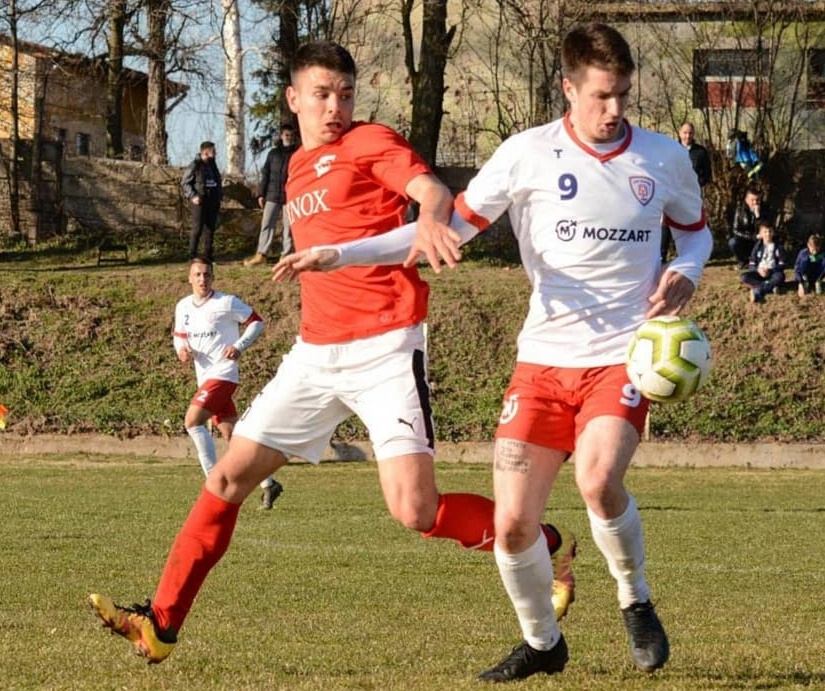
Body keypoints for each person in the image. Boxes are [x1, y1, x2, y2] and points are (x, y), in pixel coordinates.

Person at [89, 40, 576, 666]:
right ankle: (161, 622)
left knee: (415, 509)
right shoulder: (294, 167)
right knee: (226, 478)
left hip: (387, 347)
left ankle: (545, 543)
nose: (335, 107)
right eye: (321, 95)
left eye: (344, 94)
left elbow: (429, 189)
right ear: (293, 99)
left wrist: (433, 214)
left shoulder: (371, 141)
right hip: (314, 355)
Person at [274, 23, 713, 681]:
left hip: (622, 355)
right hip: (541, 363)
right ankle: (543, 643)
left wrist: (687, 271)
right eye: (601, 95)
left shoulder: (662, 158)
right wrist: (338, 253)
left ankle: (635, 597)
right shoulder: (526, 154)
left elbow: (697, 235)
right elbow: (438, 231)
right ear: (568, 89)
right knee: (511, 525)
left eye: (623, 94)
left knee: (598, 480)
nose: (614, 109)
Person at [173, 258, 282, 508]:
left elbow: (256, 321)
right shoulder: (183, 306)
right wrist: (182, 350)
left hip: (223, 374)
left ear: (213, 278)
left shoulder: (226, 302)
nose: (202, 279)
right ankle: (269, 483)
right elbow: (179, 336)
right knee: (233, 437)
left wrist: (239, 346)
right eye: (198, 275)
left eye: (207, 275)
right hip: (204, 377)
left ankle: (213, 488)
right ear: (189, 278)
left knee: (192, 421)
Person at [244, 124, 298, 267]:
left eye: (291, 135)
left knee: (289, 227)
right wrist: (261, 193)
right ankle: (261, 254)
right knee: (267, 224)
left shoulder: (298, 153)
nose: (289, 137)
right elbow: (266, 173)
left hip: (290, 196)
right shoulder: (273, 154)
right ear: (281, 136)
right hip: (272, 195)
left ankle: (286, 255)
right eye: (287, 135)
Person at [661, 122, 712, 262]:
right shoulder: (671, 149)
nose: (687, 136)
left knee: (696, 222)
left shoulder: (701, 152)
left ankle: (697, 253)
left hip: (692, 195)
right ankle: (662, 255)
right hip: (672, 192)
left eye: (690, 133)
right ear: (679, 133)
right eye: (685, 133)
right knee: (666, 222)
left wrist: (694, 184)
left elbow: (707, 175)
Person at [180, 141, 223, 262]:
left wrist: (219, 196)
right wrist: (193, 196)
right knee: (197, 228)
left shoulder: (213, 165)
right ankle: (192, 255)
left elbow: (217, 181)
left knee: (210, 229)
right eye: (213, 151)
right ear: (206, 152)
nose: (215, 153)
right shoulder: (195, 165)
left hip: (212, 201)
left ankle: (208, 256)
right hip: (199, 201)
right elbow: (185, 183)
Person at [740, 220, 787, 304]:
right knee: (744, 277)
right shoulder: (757, 246)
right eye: (765, 232)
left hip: (772, 273)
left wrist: (770, 270)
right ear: (760, 234)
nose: (768, 234)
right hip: (759, 272)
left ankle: (758, 290)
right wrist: (758, 270)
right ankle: (770, 287)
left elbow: (782, 263)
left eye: (770, 231)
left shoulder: (778, 246)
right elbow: (752, 262)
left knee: (780, 277)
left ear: (773, 233)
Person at [729, 184, 773, 269]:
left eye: (757, 200)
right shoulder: (740, 210)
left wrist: (758, 216)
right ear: (746, 200)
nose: (755, 203)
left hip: (760, 240)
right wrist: (752, 237)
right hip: (746, 239)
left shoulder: (766, 209)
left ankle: (760, 261)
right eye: (752, 200)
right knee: (733, 242)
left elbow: (767, 228)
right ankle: (743, 261)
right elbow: (736, 230)